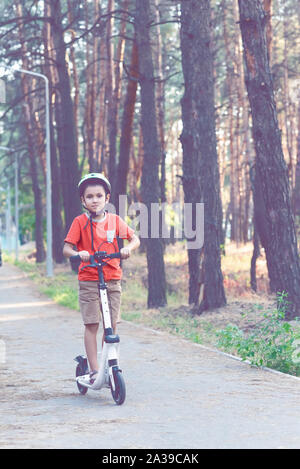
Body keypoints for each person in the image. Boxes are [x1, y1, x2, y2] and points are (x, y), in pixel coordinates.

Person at [63, 173, 140, 383]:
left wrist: (127, 249)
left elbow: (135, 239)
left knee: (111, 325)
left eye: (99, 195)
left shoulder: (115, 221)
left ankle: (109, 365)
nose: (94, 200)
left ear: (107, 198)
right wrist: (79, 254)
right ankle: (95, 369)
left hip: (112, 279)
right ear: (83, 200)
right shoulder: (79, 222)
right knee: (92, 324)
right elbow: (66, 248)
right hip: (89, 279)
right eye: (89, 196)